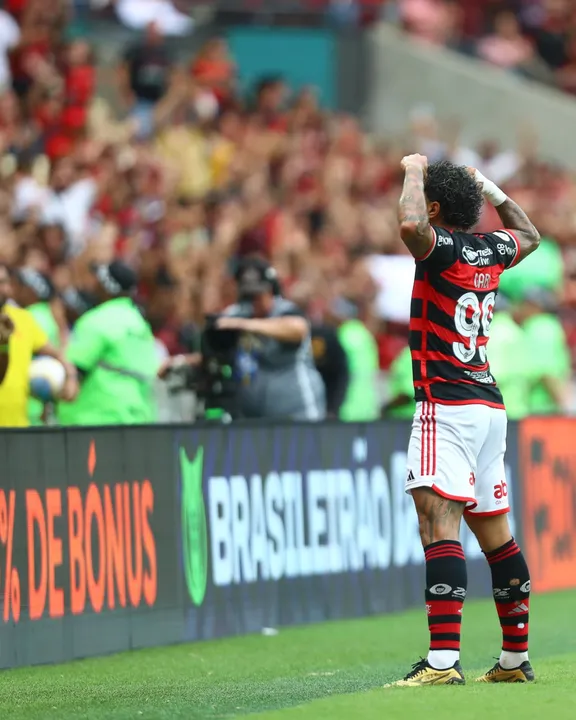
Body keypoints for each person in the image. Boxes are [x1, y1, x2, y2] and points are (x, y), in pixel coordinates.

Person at [389, 157, 540, 686]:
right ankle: (513, 661)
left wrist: (412, 170)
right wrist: (492, 188)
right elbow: (530, 234)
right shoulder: (491, 250)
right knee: (497, 536)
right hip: (487, 405)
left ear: (435, 207)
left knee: (438, 525)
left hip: (446, 405)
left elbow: (410, 225)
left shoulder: (444, 249)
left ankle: (442, 663)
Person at [161, 258, 326, 421]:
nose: (254, 302)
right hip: (254, 417)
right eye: (249, 296)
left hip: (297, 412)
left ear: (270, 290)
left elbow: (299, 329)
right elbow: (216, 354)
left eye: (258, 295)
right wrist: (181, 361)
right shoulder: (237, 313)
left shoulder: (284, 311)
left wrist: (245, 325)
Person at [59, 261, 159, 426]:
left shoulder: (96, 320)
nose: (94, 283)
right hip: (140, 418)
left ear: (107, 287)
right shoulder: (141, 325)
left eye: (98, 279)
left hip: (97, 422)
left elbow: (72, 368)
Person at [0, 264, 77, 427]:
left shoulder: (22, 319)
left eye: (5, 282)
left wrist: (70, 377)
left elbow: (56, 353)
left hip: (18, 425)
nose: (3, 289)